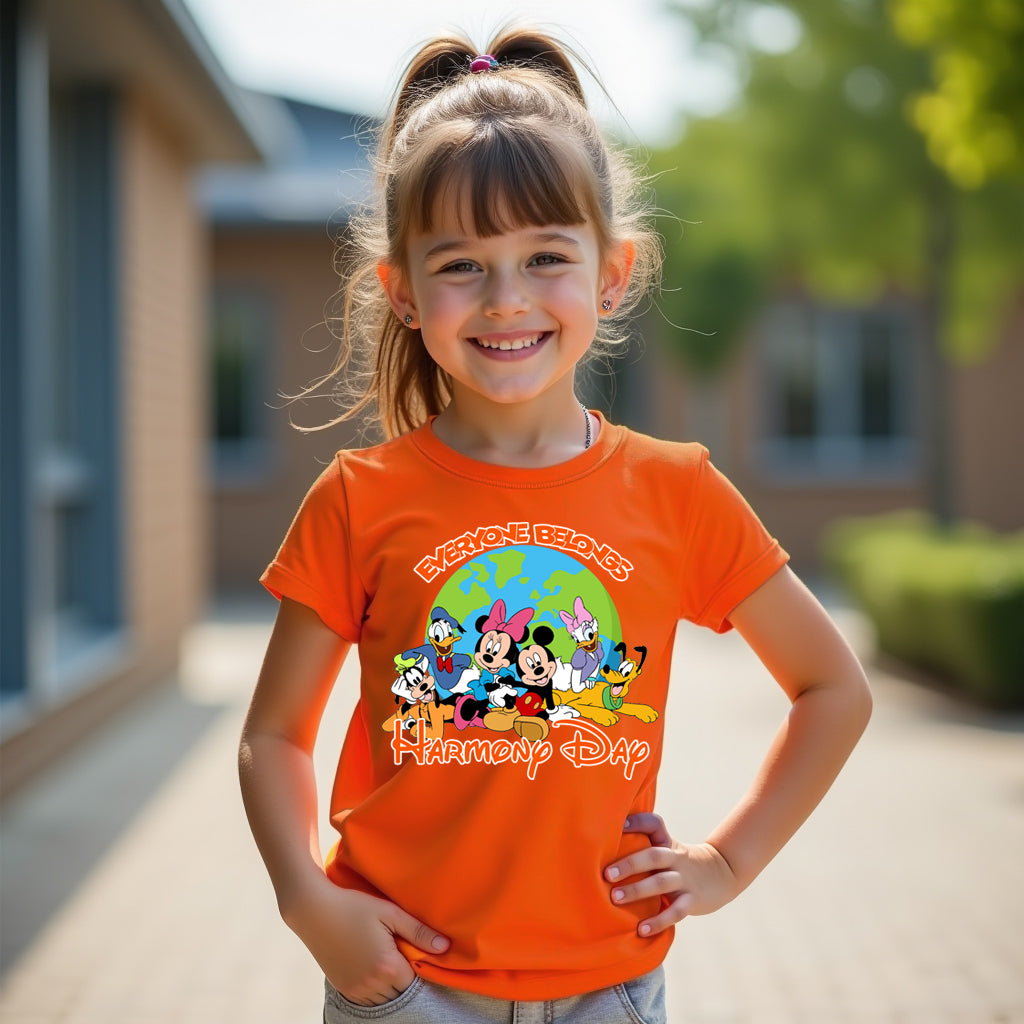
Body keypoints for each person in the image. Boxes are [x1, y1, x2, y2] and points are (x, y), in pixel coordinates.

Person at [238, 26, 873, 1023]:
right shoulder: (358, 497)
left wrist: (727, 861)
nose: (506, 299)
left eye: (544, 257)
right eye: (460, 265)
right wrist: (304, 900)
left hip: (608, 987)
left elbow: (833, 687)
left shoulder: (677, 491)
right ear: (401, 292)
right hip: (403, 986)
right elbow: (273, 735)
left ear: (612, 272)